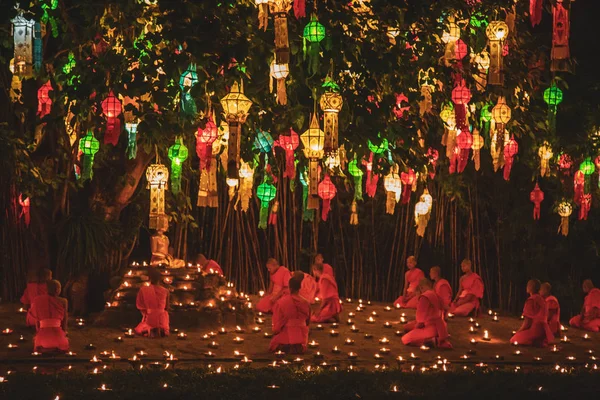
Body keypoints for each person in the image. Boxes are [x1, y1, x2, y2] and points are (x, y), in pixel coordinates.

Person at [401, 278, 452, 348]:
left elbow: (420, 320)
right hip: (441, 327)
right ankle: (434, 337)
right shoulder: (436, 294)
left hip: (430, 327)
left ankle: (432, 340)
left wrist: (416, 328)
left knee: (405, 338)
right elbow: (446, 308)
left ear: (421, 287)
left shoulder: (424, 297)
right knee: (407, 327)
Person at [269, 274, 311, 354]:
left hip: (288, 333)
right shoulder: (306, 303)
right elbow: (308, 322)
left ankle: (289, 346)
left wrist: (276, 330)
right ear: (300, 288)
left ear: (289, 287)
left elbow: (277, 322)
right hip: (302, 336)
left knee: (274, 344)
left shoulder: (281, 302)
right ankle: (297, 346)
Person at [510, 279, 554, 347]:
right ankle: (537, 341)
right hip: (544, 332)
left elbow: (527, 322)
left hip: (535, 330)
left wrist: (518, 332)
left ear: (531, 287)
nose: (527, 286)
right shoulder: (543, 300)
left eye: (528, 285)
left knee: (513, 339)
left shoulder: (531, 300)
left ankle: (532, 341)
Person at [30, 280, 69, 353]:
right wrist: (64, 332)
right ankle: (55, 348)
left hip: (43, 335)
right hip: (57, 334)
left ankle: (43, 347)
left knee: (38, 341)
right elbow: (65, 319)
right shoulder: (63, 301)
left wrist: (38, 333)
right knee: (64, 345)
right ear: (57, 290)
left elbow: (37, 319)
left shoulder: (37, 300)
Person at [134, 268, 170, 337]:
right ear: (160, 279)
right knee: (163, 317)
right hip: (162, 320)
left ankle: (149, 330)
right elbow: (167, 308)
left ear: (149, 278)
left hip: (149, 317)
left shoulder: (143, 290)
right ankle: (160, 330)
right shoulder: (166, 291)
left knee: (140, 328)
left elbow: (139, 306)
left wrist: (148, 312)